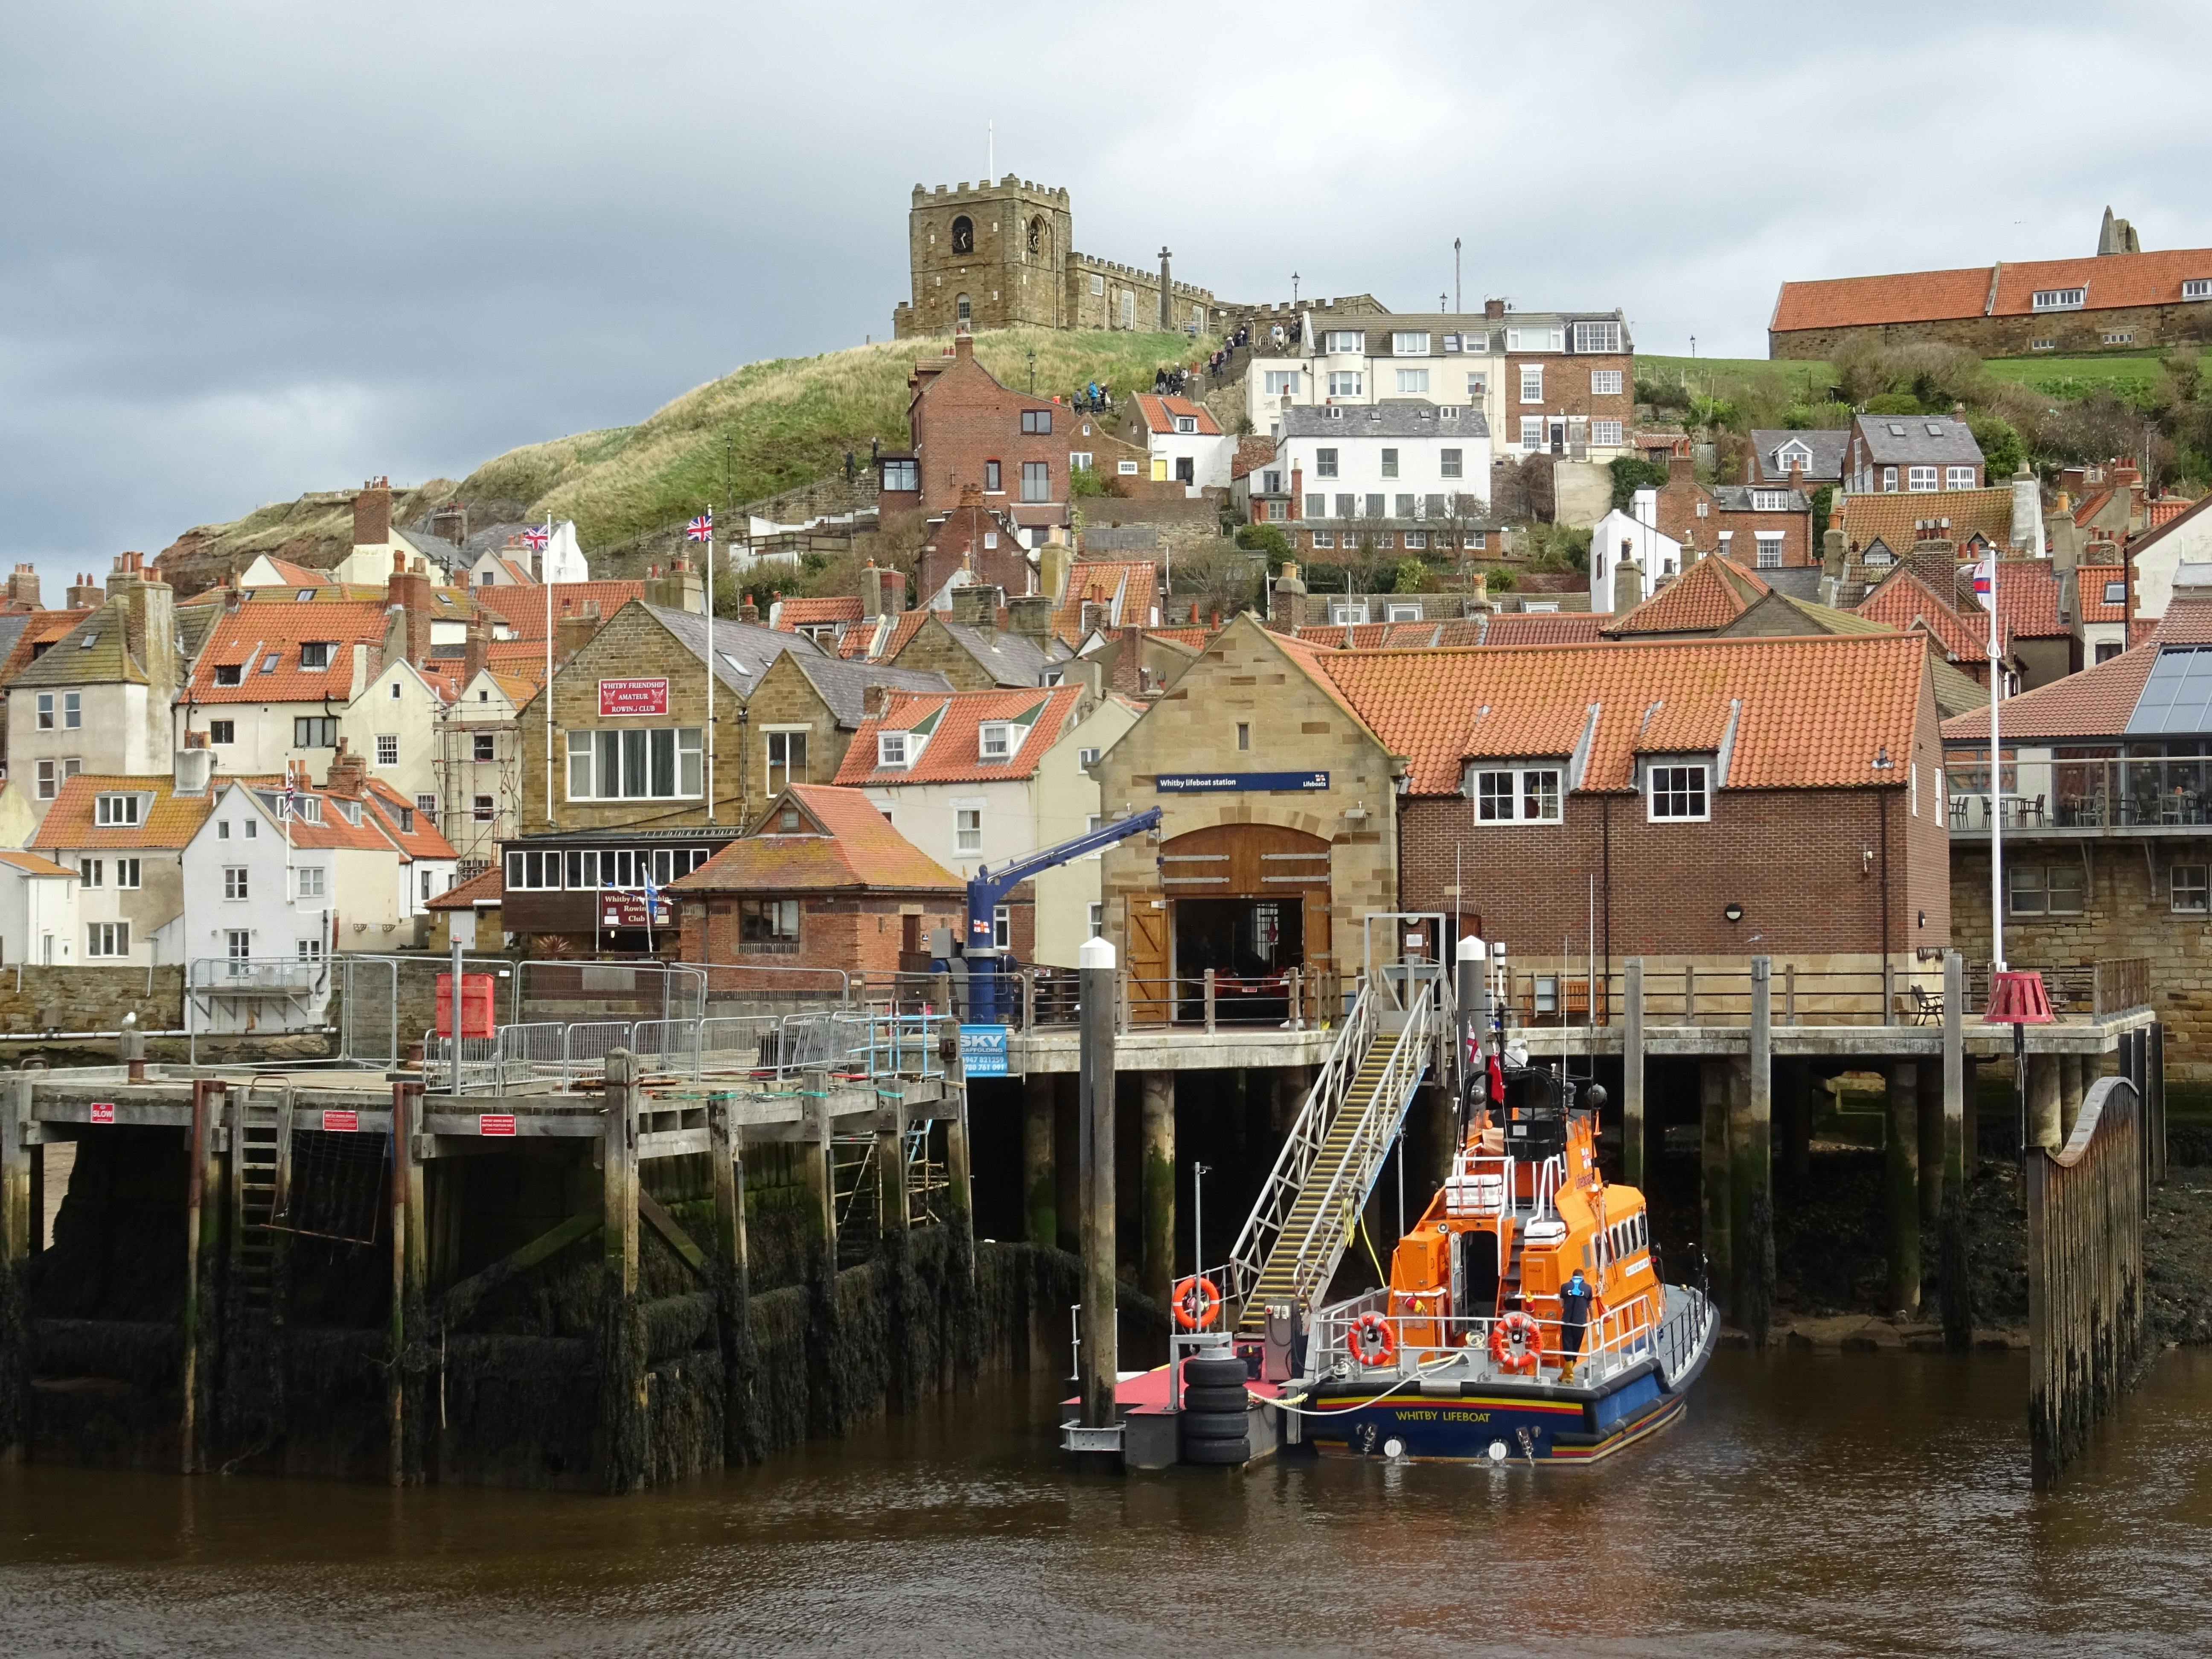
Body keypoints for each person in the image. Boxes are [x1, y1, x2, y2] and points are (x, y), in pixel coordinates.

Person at [1558, 1267, 1594, 1382]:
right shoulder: (1588, 1288)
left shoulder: (1564, 1287)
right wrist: (1592, 1319)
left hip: (1567, 1321)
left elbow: (1561, 1304)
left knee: (1568, 1345)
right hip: (1581, 1322)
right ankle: (1569, 1375)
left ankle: (1566, 1374)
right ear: (1583, 1277)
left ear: (1572, 1276)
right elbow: (1590, 1306)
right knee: (1575, 1347)